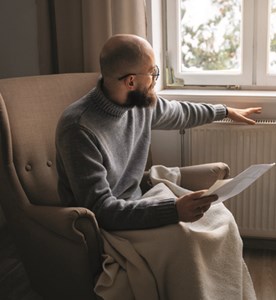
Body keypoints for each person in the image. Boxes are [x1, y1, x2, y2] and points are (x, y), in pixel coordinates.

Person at [56, 34, 260, 300]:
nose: (155, 80)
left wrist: (225, 111)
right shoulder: (79, 129)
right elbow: (102, 210)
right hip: (110, 223)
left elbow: (180, 111)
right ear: (131, 81)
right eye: (153, 73)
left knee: (221, 218)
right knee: (186, 241)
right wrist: (173, 210)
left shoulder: (139, 103)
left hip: (140, 199)